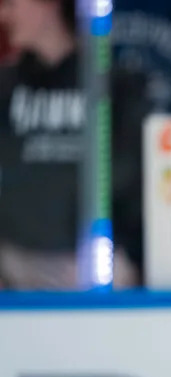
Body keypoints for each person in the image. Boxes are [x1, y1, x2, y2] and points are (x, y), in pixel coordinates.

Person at [0, 0, 148, 288]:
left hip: (97, 268)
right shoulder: (5, 89)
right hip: (12, 266)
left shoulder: (116, 88)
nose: (3, 15)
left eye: (11, 4)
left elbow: (136, 182)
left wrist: (127, 258)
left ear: (48, 5)